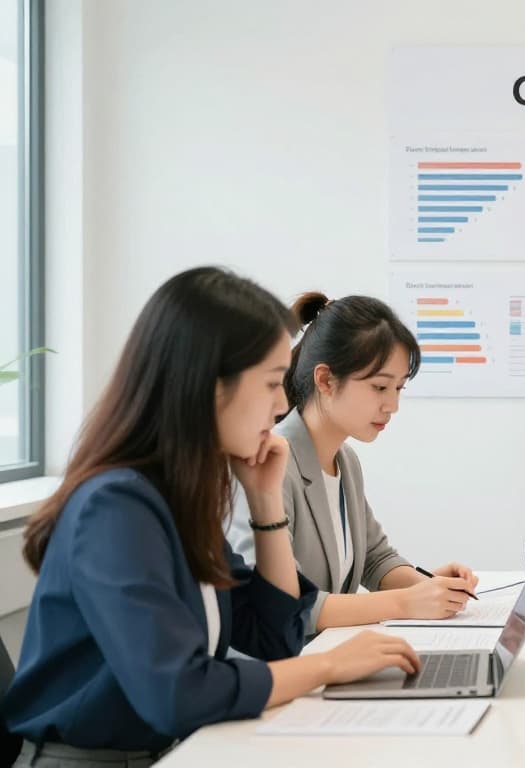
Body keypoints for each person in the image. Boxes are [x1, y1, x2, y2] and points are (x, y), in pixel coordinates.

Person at [3, 268, 420, 766]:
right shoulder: (115, 507)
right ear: (208, 385)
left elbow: (272, 636)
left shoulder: (178, 498)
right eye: (270, 382)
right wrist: (329, 665)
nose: (284, 401)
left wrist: (266, 507)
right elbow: (178, 691)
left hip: (168, 751)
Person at [228, 293, 478, 635]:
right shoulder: (269, 464)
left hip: (325, 656)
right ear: (326, 380)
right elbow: (282, 602)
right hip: (278, 671)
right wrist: (407, 603)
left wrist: (431, 588)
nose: (393, 405)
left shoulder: (345, 460)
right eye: (379, 387)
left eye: (399, 388)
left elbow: (376, 559)